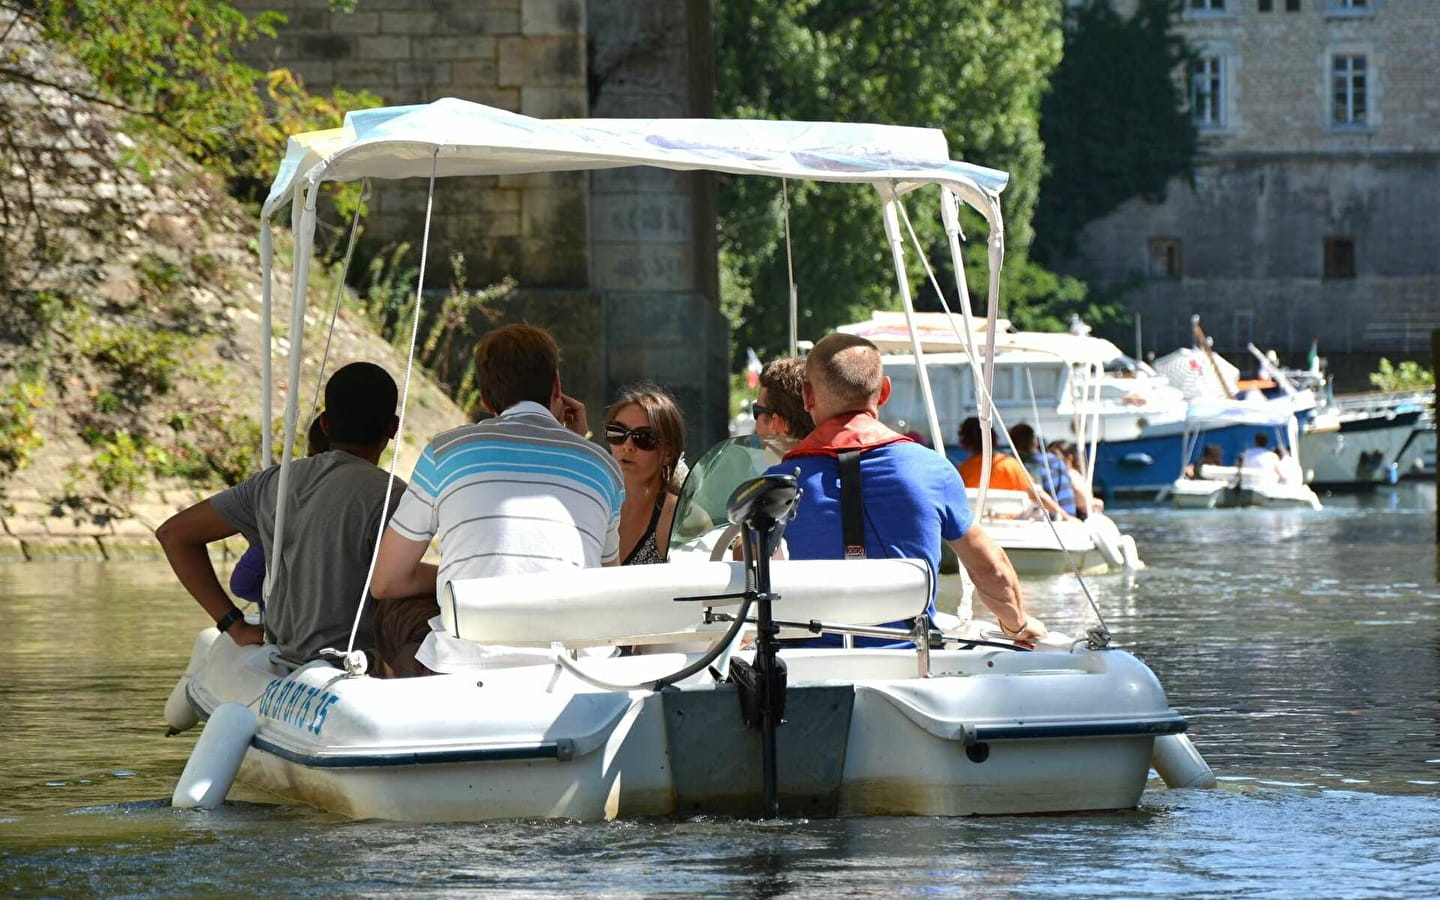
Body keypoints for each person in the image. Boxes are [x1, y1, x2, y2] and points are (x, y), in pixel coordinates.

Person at [370, 324, 623, 675]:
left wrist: (452, 578)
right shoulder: (603, 467)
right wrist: (579, 443)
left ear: (487, 401)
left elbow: (385, 582)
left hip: (465, 665)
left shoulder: (446, 452)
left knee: (392, 613)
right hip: (576, 667)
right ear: (557, 387)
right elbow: (606, 583)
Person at [765, 333, 1044, 644]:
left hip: (812, 665)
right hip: (912, 657)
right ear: (884, 391)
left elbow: (748, 575)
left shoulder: (778, 483)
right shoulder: (932, 470)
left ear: (807, 397)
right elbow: (991, 569)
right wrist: (1017, 625)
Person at [156, 362, 403, 665]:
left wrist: (233, 625)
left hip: (284, 660)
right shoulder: (397, 496)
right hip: (358, 665)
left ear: (324, 424)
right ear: (393, 428)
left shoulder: (274, 482)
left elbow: (173, 534)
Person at [228, 414, 330, 608]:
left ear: (311, 449)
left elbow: (242, 585)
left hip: (287, 627)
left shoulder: (281, 498)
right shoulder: (384, 496)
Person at [604, 383, 684, 565]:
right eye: (617, 433)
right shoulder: (594, 502)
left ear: (668, 453)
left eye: (644, 438)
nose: (627, 446)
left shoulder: (677, 516)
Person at [1008, 423, 1075, 518]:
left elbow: (1037, 494)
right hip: (1068, 516)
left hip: (1054, 520)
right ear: (1035, 443)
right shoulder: (1055, 460)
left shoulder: (1016, 467)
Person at [754, 357, 815, 445]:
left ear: (776, 422)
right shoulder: (833, 455)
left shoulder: (793, 459)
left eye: (756, 410)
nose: (755, 422)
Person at [1048, 440, 1103, 520]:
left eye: (1054, 455)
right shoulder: (1075, 474)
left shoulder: (1070, 475)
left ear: (1069, 458)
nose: (1049, 458)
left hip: (1079, 517)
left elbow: (1086, 502)